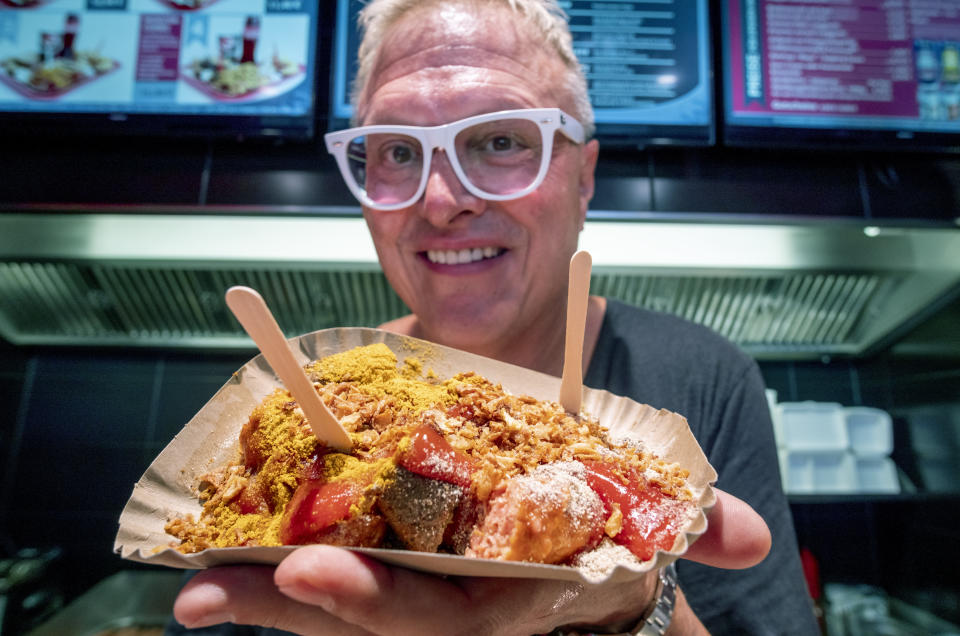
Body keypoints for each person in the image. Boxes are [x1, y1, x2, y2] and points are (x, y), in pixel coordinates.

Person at [169, 0, 819, 634]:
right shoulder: (297, 403)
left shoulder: (704, 378)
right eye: (398, 151)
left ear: (584, 177)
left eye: (500, 140)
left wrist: (638, 607)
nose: (442, 201)